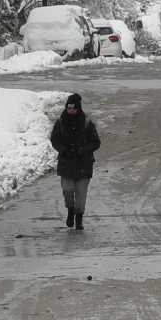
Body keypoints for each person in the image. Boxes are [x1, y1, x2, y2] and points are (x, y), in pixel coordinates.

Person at [50, 93, 101, 230]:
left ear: (78, 108)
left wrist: (82, 150)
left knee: (81, 193)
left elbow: (96, 142)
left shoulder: (87, 123)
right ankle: (70, 210)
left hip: (83, 164)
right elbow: (54, 140)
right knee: (67, 190)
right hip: (66, 164)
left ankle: (79, 218)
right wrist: (63, 150)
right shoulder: (60, 123)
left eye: (73, 108)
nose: (70, 110)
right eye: (68, 107)